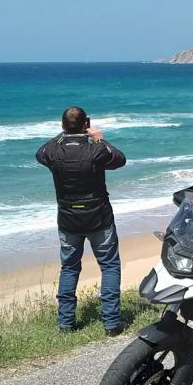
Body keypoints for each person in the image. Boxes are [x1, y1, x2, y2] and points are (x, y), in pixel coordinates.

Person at [36, 107, 126, 335]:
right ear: (86, 123)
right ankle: (111, 323)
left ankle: (66, 323)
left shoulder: (53, 151)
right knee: (109, 266)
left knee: (69, 267)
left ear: (63, 126)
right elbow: (119, 160)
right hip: (98, 217)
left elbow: (41, 152)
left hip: (68, 219)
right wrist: (99, 139)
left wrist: (63, 134)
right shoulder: (96, 150)